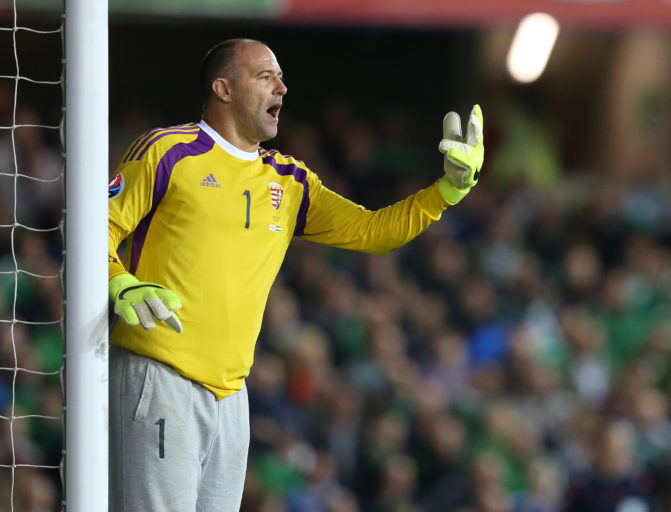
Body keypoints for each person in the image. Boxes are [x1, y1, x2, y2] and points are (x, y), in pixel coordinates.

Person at [106, 37, 484, 512]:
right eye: (266, 77)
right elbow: (97, 224)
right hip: (160, 375)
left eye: (281, 78)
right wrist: (118, 279)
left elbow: (372, 231)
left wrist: (446, 190)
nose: (282, 88)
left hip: (232, 394)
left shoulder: (289, 181)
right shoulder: (167, 151)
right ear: (224, 89)